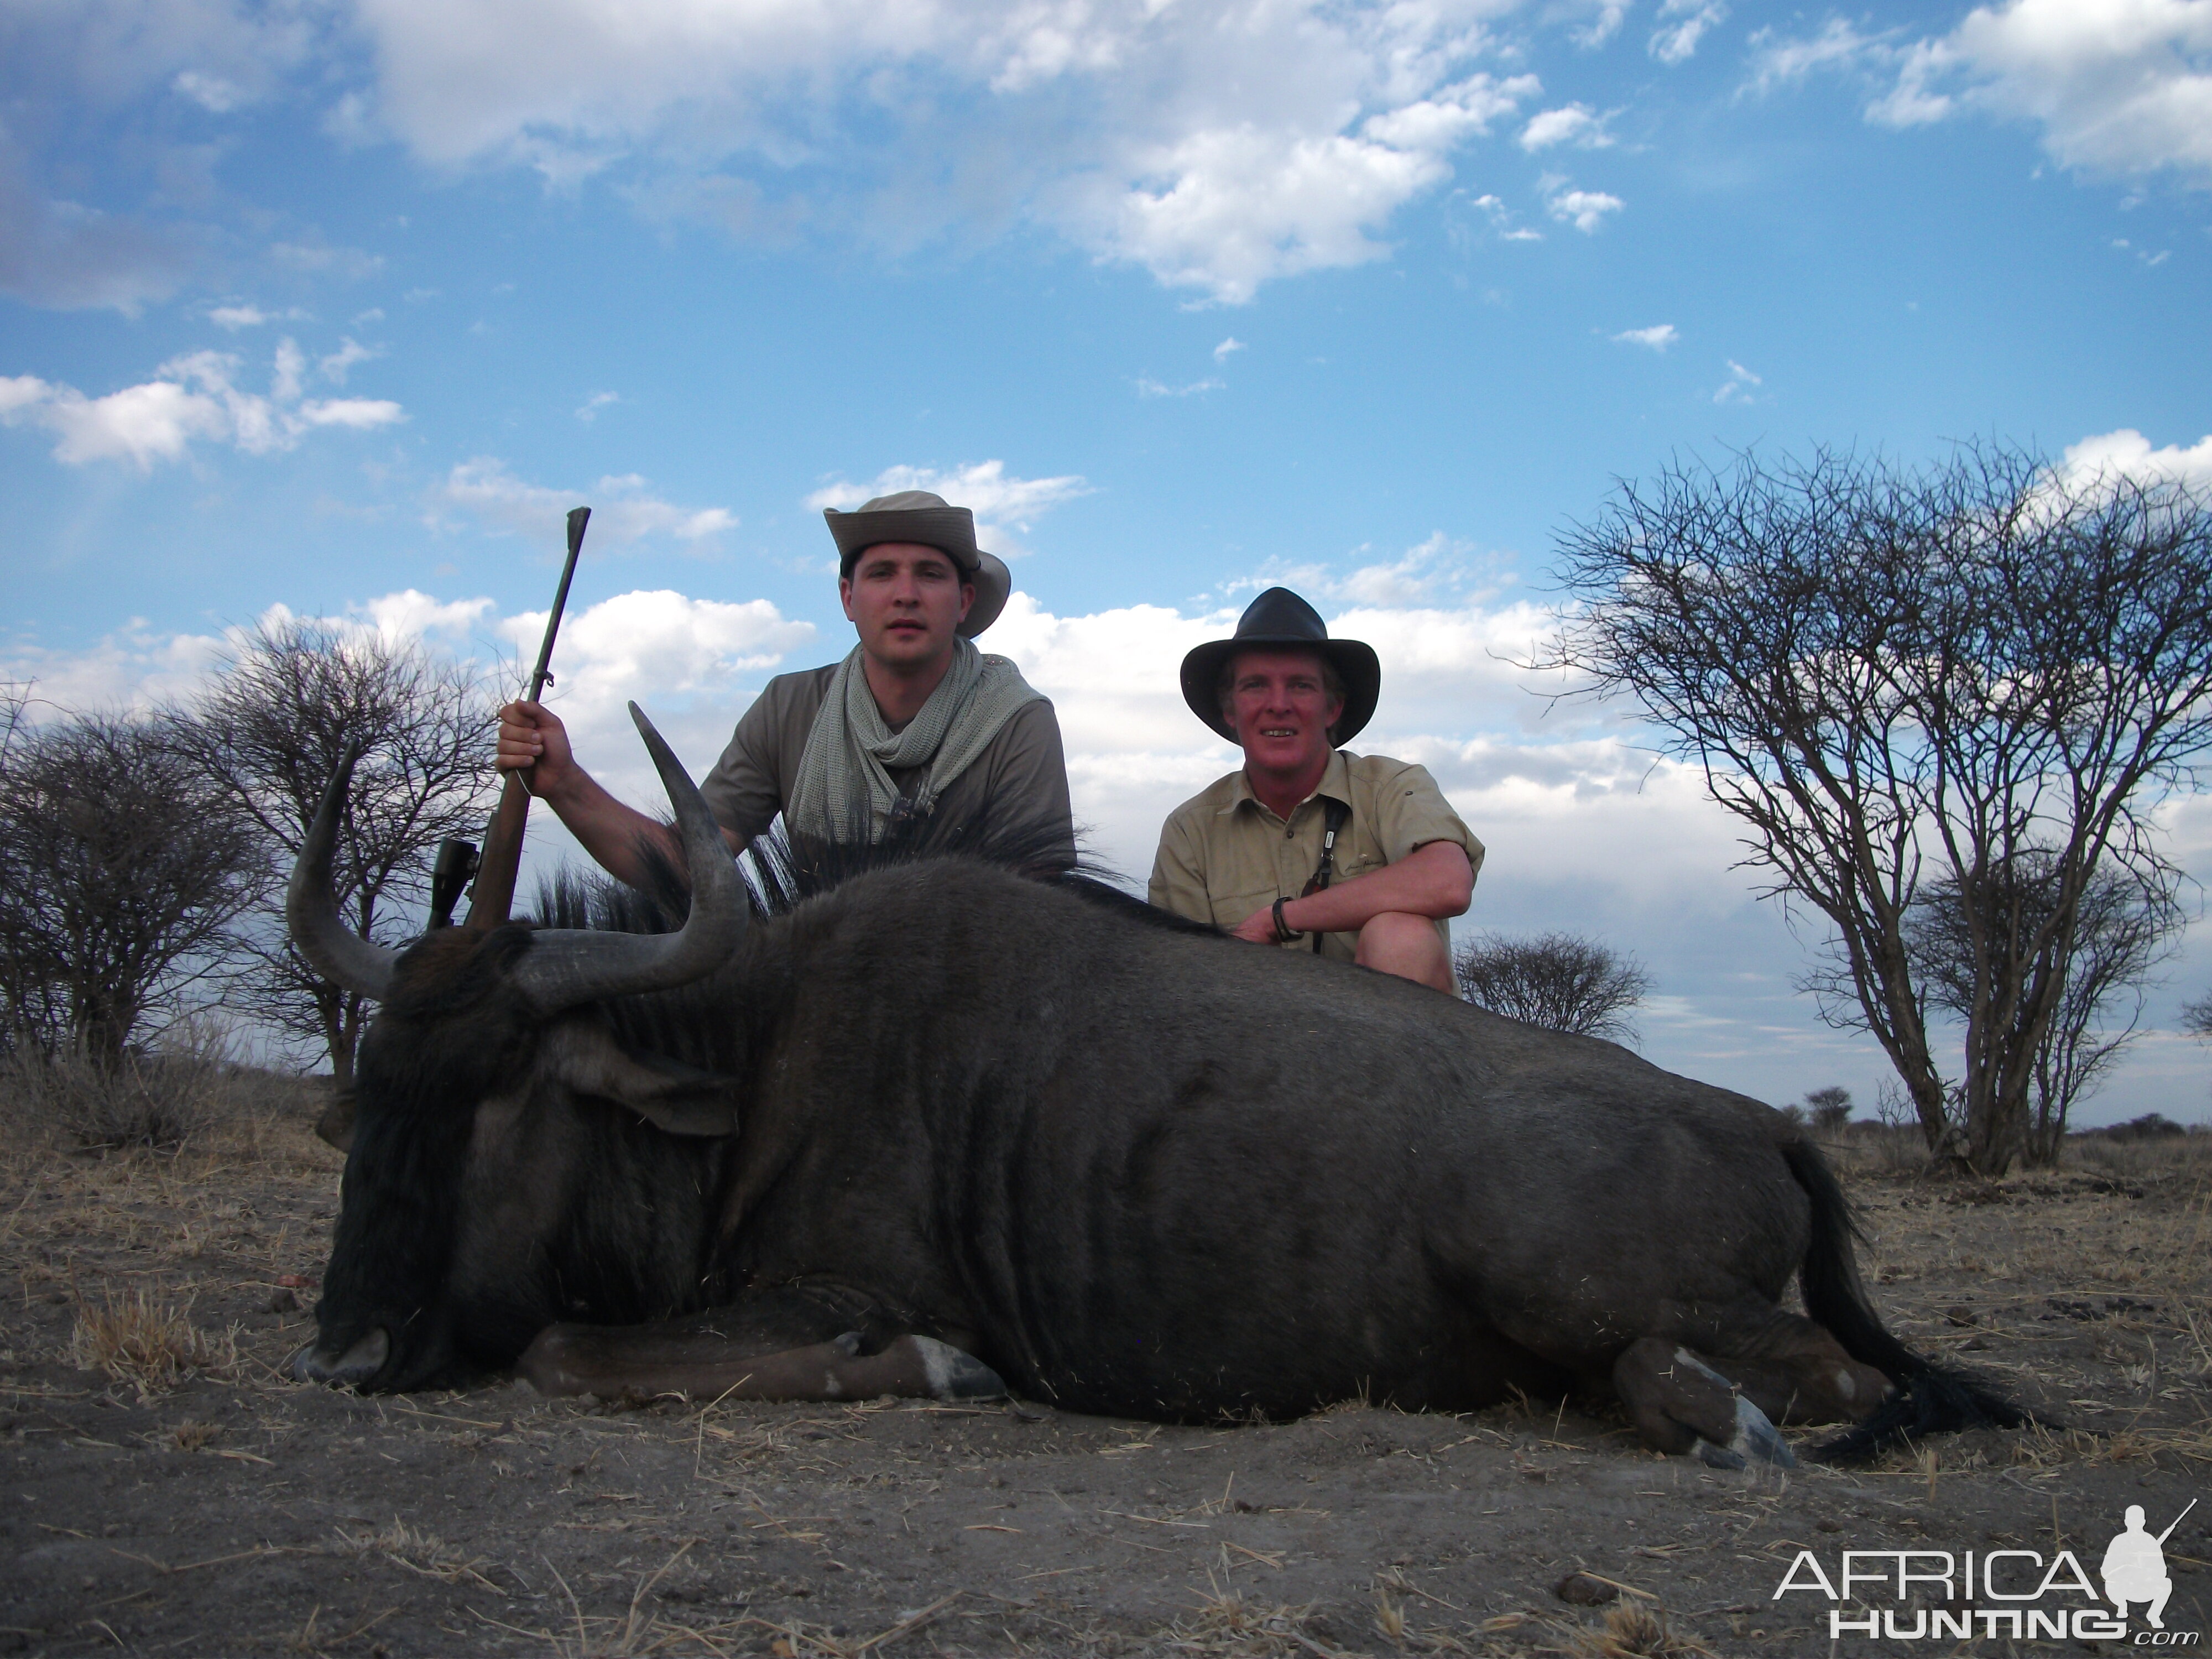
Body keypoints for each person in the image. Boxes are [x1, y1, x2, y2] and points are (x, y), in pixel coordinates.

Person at [499, 490, 1076, 884]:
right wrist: (566, 784)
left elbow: (1036, 903)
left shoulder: (1015, 717)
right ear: (848, 599)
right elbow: (690, 865)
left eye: (929, 574)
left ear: (963, 601)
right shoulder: (787, 706)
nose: (906, 594)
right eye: (881, 574)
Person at [1148, 587, 1480, 991]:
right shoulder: (1189, 831)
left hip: (1390, 1047)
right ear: (1230, 711)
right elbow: (1180, 983)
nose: (1278, 704)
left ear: (1333, 707)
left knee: (1400, 937)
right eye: (1255, 686)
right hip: (1253, 1046)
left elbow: (1447, 881)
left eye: (1301, 686)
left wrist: (1281, 919)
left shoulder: (1391, 787)